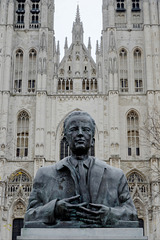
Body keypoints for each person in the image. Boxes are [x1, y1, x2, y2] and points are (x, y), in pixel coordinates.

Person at [24, 111, 138, 228]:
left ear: (93, 140)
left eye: (86, 129)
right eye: (73, 129)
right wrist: (54, 209)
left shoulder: (115, 176)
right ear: (65, 139)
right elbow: (29, 216)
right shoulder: (44, 175)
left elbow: (132, 214)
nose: (79, 133)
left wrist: (109, 214)